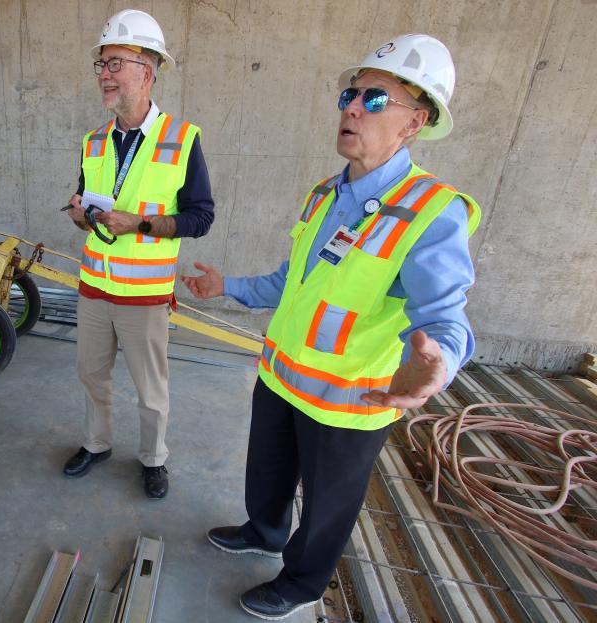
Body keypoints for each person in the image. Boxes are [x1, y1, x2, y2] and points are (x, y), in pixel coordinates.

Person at [182, 34, 480, 619]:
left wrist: (436, 364)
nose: (351, 107)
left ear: (414, 122)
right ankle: (264, 530)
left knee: (328, 506)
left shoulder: (431, 211)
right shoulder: (325, 194)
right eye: (352, 93)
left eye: (375, 100)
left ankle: (301, 583)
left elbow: (446, 316)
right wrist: (229, 288)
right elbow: (292, 282)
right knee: (265, 471)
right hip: (283, 375)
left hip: (350, 398)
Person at [62, 10, 215, 499]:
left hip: (144, 295)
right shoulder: (94, 142)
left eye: (115, 64)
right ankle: (96, 443)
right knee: (90, 374)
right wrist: (79, 213)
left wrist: (141, 223)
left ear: (147, 71)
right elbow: (84, 198)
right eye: (102, 65)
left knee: (151, 391)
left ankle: (153, 459)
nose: (105, 75)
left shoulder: (182, 139)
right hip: (94, 287)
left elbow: (200, 217)